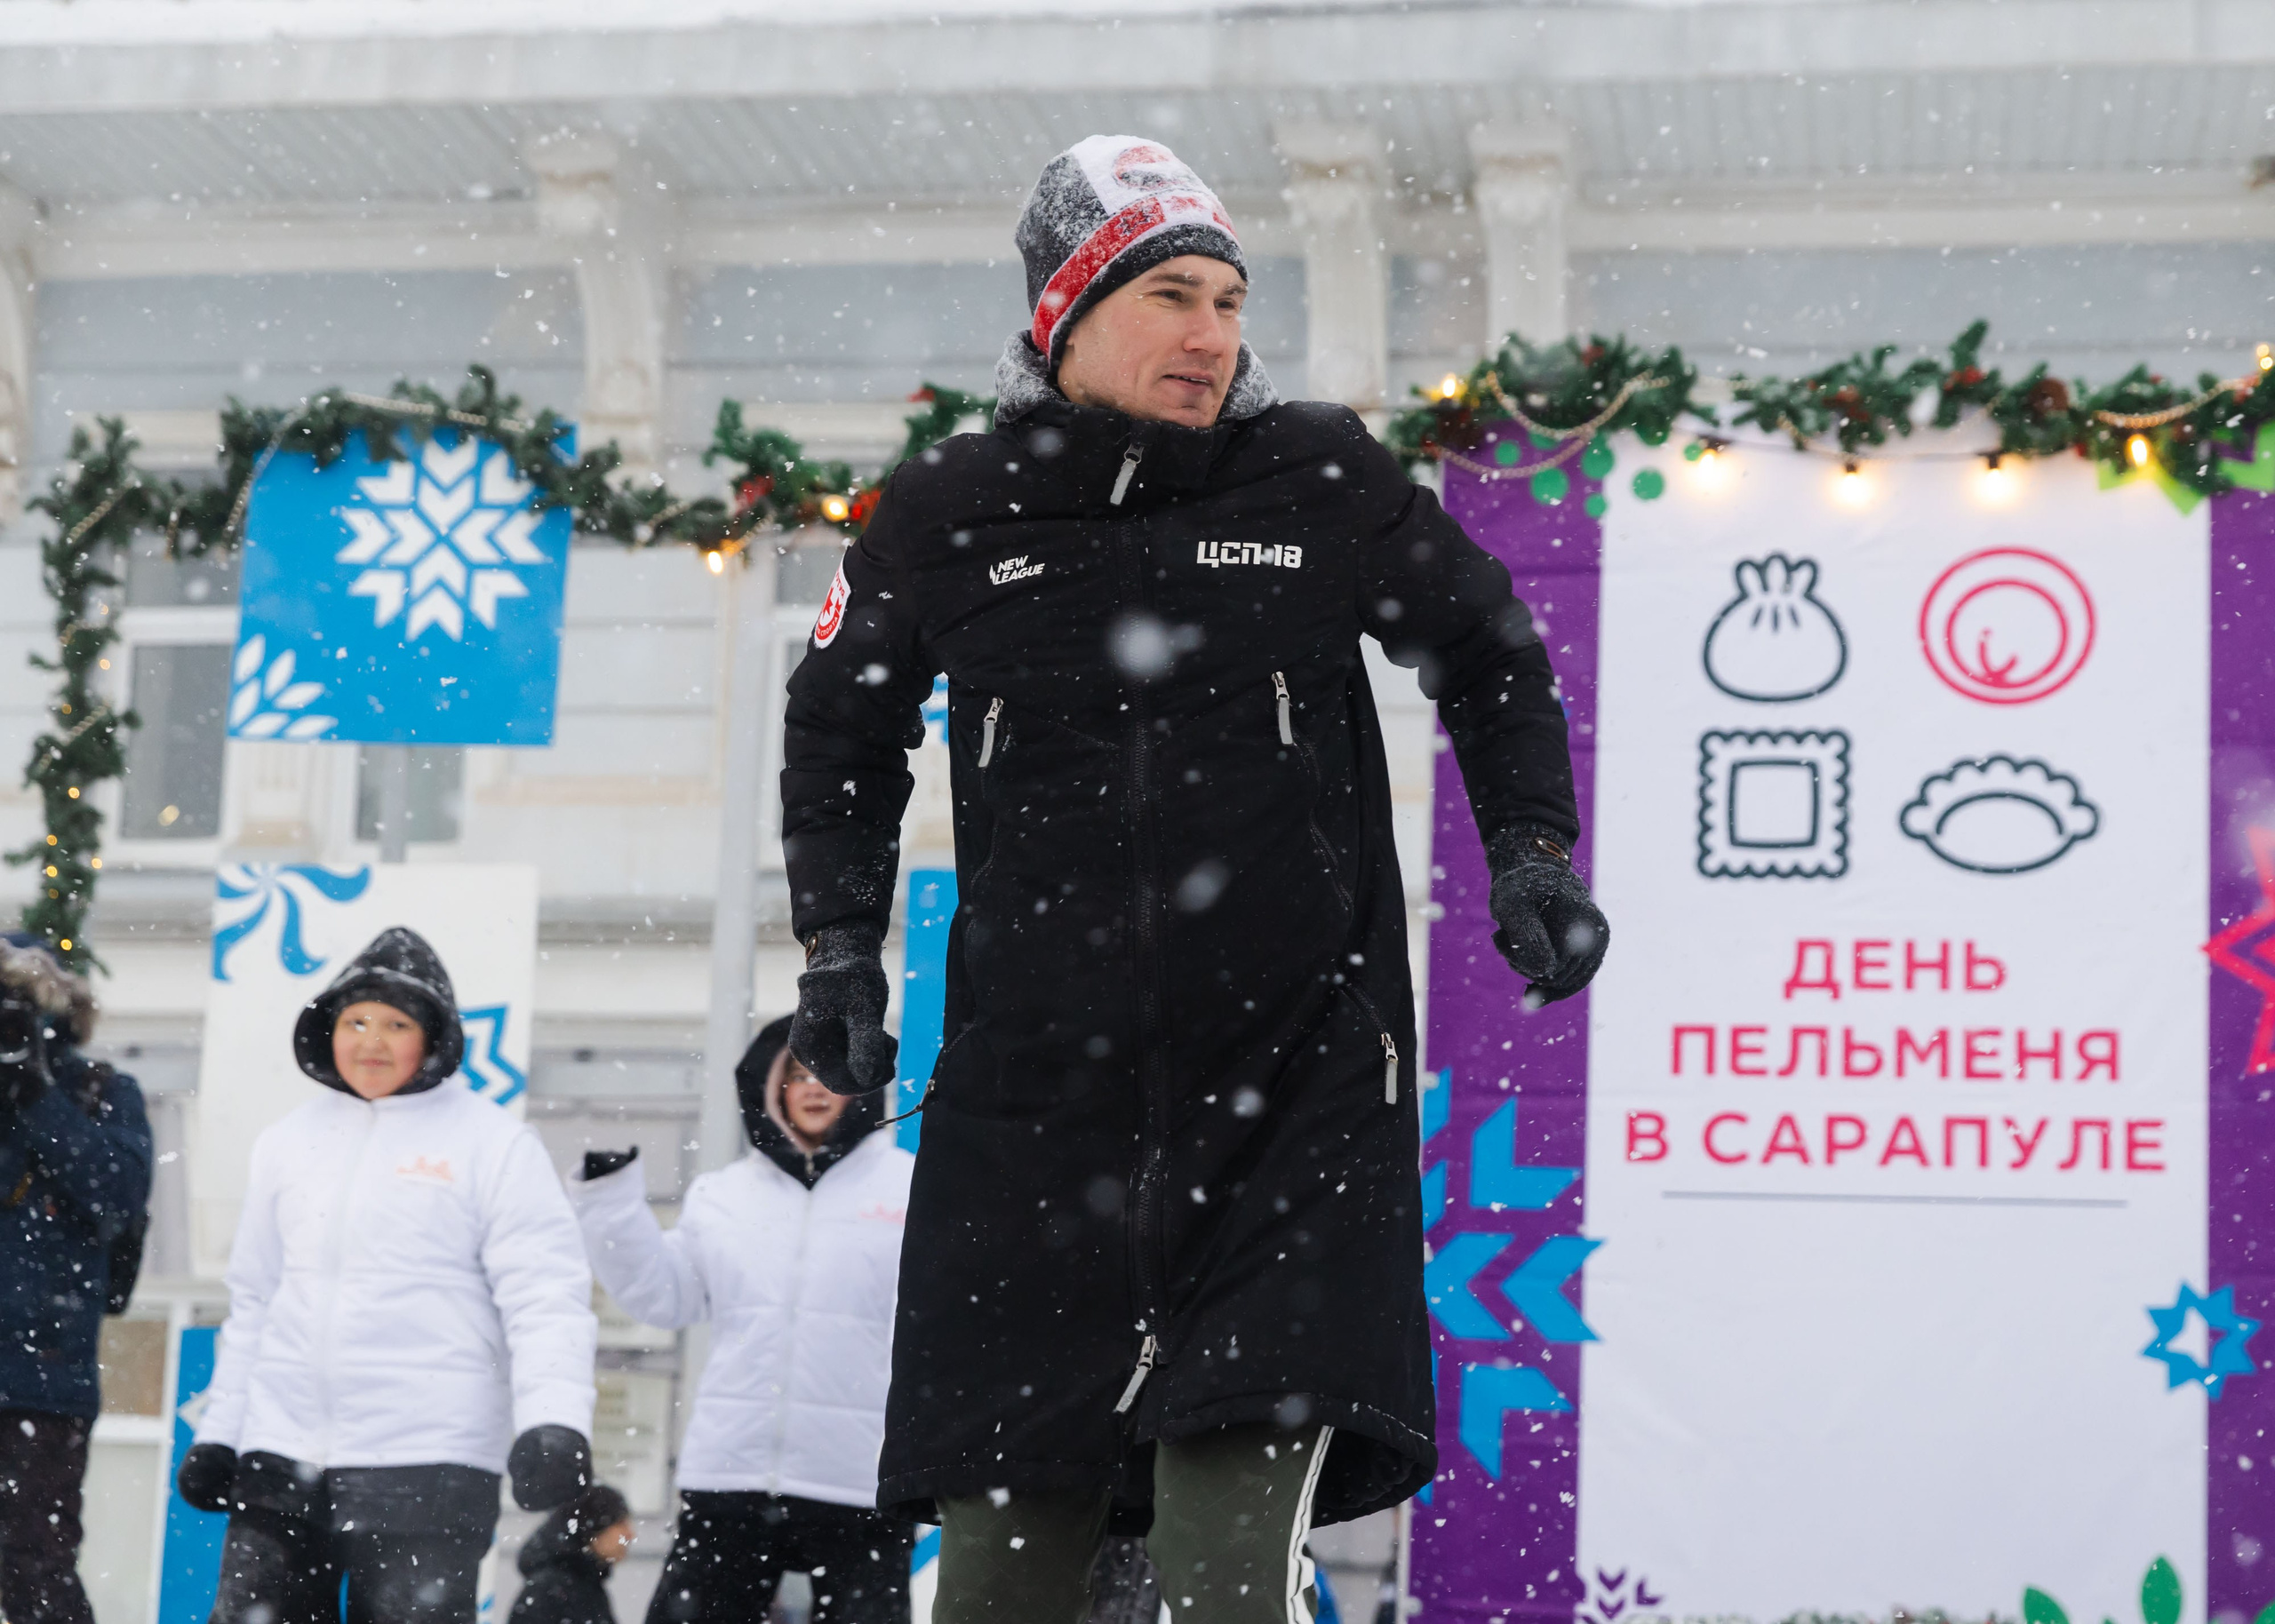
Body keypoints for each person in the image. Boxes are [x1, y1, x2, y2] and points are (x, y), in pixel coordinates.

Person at [780, 134, 1607, 1622]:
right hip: (1033, 1115)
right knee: (997, 1592)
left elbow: (1488, 652)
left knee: (1228, 1573)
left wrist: (1533, 850)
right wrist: (841, 947)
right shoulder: (950, 507)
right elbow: (839, 723)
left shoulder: (1317, 476)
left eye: (1229, 300)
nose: (1213, 334)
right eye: (1172, 296)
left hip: (1291, 1099)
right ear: (1066, 314)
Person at [176, 927, 598, 1624]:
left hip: (429, 1460)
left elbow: (544, 1298)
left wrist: (554, 1422)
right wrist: (222, 1430)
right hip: (283, 1453)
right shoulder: (288, 1143)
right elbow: (256, 1302)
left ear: (432, 1038)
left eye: (396, 1025)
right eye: (356, 1022)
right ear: (329, 1031)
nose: (371, 1041)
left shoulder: (492, 1145)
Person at [571, 1015, 914, 1624]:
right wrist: (611, 1205)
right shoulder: (723, 1196)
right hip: (730, 1474)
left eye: (831, 1073)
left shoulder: (909, 1188)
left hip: (860, 1480)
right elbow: (663, 1298)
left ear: (862, 1084)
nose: (814, 1087)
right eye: (799, 1073)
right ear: (770, 1087)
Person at [0, 933, 152, 1624]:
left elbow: (118, 1198)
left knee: (34, 1569)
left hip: (43, 1380)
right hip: (45, 1376)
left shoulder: (101, 1094)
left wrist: (37, 1095)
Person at [508, 1483, 634, 1624]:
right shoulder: (550, 1592)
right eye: (620, 1523)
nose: (630, 1534)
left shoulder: (587, 1587)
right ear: (591, 1529)